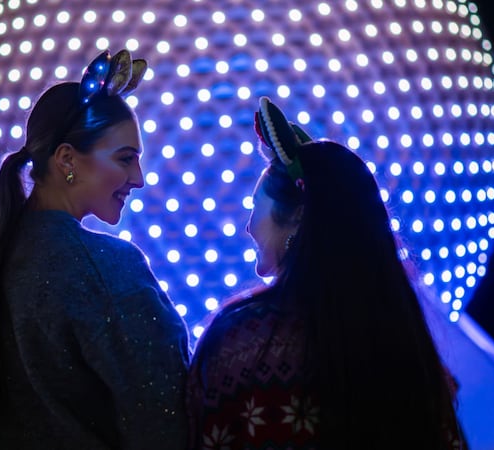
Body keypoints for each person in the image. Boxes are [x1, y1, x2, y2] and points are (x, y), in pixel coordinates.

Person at [0, 49, 191, 450]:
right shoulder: (107, 267)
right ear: (66, 160)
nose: (139, 178)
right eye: (125, 158)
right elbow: (165, 421)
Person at [185, 96, 466, 449]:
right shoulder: (408, 348)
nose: (247, 227)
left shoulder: (240, 338)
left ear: (297, 216)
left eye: (255, 207)